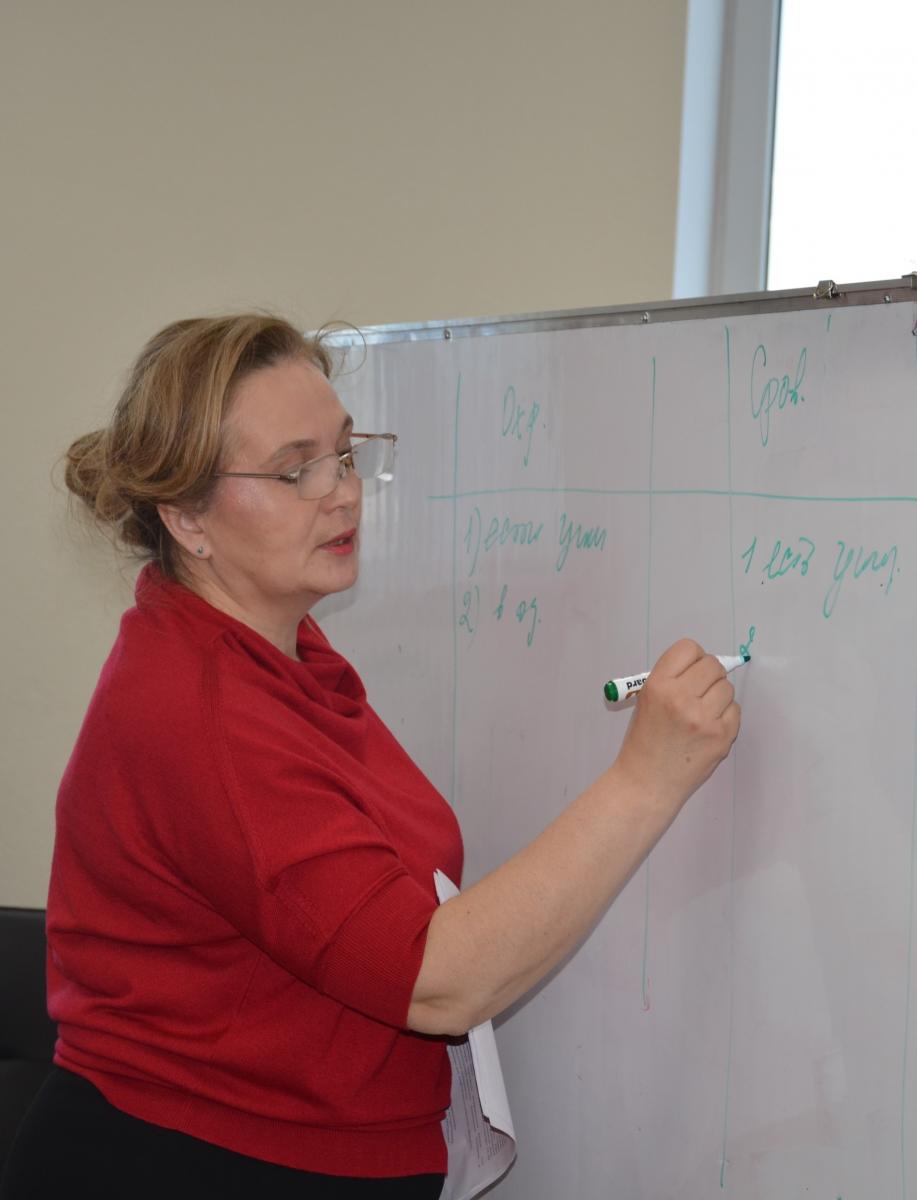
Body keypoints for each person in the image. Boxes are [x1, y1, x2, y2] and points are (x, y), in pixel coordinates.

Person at [0, 314, 741, 1200]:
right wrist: (644, 780)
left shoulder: (283, 654)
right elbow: (437, 982)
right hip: (186, 1166)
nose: (342, 493)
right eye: (294, 470)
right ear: (187, 516)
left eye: (345, 455)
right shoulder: (201, 711)